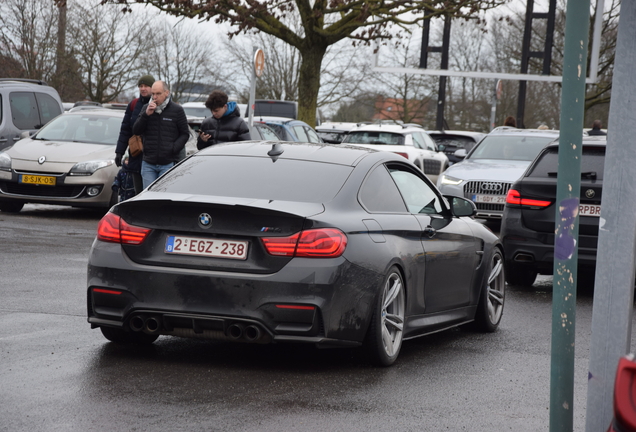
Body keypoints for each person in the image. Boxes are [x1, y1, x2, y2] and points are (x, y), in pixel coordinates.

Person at [133, 80, 189, 188]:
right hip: (148, 162)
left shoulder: (177, 110)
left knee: (163, 197)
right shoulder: (146, 108)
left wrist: (172, 149)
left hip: (167, 163)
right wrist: (146, 115)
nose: (155, 97)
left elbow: (185, 134)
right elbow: (136, 131)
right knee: (148, 198)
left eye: (158, 94)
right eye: (153, 94)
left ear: (166, 93)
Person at [114, 74, 155, 195]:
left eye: (146, 86)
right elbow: (125, 130)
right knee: (138, 193)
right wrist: (119, 152)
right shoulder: (133, 105)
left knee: (151, 193)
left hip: (154, 156)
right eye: (141, 86)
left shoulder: (159, 105)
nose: (143, 88)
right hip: (136, 154)